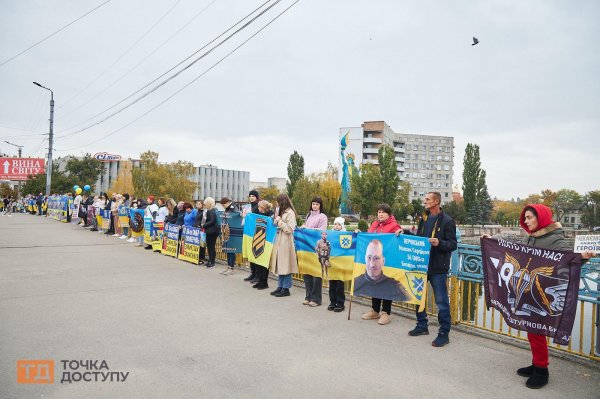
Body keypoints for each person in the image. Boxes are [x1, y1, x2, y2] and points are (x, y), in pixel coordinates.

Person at [489, 204, 595, 389]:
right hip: (530, 292)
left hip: (544, 293)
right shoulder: (533, 237)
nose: (527, 221)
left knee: (537, 332)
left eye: (530, 218)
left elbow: (567, 259)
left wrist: (583, 257)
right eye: (526, 218)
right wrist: (491, 241)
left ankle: (542, 371)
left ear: (542, 218)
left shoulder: (555, 239)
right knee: (533, 331)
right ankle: (536, 363)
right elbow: (516, 251)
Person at [408, 191, 457, 348]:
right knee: (418, 297)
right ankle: (422, 325)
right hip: (422, 265)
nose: (425, 201)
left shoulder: (448, 221)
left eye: (428, 199)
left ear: (436, 202)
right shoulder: (424, 218)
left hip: (438, 268)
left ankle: (444, 333)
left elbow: (452, 244)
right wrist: (405, 233)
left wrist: (439, 243)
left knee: (442, 302)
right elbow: (420, 238)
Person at [358, 203, 403, 326]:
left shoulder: (394, 225)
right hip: (374, 260)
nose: (380, 214)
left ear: (389, 214)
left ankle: (386, 313)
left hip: (387, 261)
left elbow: (400, 237)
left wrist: (400, 232)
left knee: (386, 286)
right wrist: (360, 233)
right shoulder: (374, 225)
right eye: (379, 212)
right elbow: (368, 238)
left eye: (383, 212)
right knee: (374, 284)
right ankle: (375, 310)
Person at [299, 196, 328, 306]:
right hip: (307, 247)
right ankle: (308, 296)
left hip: (317, 248)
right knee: (307, 272)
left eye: (317, 204)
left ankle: (316, 299)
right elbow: (306, 228)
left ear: (320, 205)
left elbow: (322, 231)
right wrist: (303, 227)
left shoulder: (323, 216)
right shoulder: (308, 215)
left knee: (316, 274)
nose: (314, 206)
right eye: (313, 204)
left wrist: (308, 229)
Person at [270, 193, 298, 298]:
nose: (276, 204)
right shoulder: (280, 212)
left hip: (286, 242)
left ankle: (286, 288)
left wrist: (280, 221)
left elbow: (290, 229)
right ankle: (280, 286)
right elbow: (275, 224)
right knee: (280, 264)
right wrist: (275, 219)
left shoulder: (290, 213)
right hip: (279, 240)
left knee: (286, 265)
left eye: (278, 202)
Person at [252, 200, 274, 290]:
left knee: (264, 263)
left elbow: (271, 226)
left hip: (267, 240)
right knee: (258, 261)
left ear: (265, 207)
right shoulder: (259, 213)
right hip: (259, 238)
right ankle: (260, 281)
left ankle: (264, 282)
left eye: (260, 207)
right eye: (258, 207)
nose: (259, 209)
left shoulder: (271, 214)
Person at [328, 216, 347, 312]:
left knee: (339, 285)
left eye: (339, 224)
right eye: (335, 224)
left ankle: (340, 303)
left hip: (341, 264)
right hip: (332, 264)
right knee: (332, 284)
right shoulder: (330, 235)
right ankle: (332, 302)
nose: (336, 226)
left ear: (342, 226)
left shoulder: (345, 235)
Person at [243, 190, 261, 283]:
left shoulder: (258, 206)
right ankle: (253, 273)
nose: (251, 197)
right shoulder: (248, 207)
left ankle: (258, 275)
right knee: (251, 254)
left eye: (253, 196)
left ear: (257, 197)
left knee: (256, 254)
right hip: (249, 232)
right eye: (250, 196)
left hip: (257, 232)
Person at [219, 197, 238, 275]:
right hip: (227, 230)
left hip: (232, 231)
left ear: (227, 203)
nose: (223, 207)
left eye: (223, 205)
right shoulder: (228, 208)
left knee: (231, 250)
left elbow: (234, 217)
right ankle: (228, 266)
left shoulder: (234, 207)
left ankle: (231, 268)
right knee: (227, 249)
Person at [201, 197, 219, 268]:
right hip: (214, 231)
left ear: (209, 204)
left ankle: (212, 262)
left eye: (206, 204)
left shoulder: (211, 211)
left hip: (211, 231)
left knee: (210, 247)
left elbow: (212, 221)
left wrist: (204, 225)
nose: (205, 205)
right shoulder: (215, 210)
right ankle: (210, 261)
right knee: (211, 247)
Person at [193, 200, 206, 265]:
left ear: (203, 205)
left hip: (201, 230)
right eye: (197, 204)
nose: (197, 205)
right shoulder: (197, 212)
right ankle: (197, 257)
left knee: (202, 244)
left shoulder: (204, 212)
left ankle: (201, 258)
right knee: (197, 243)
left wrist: (200, 226)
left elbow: (203, 221)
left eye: (199, 204)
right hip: (196, 228)